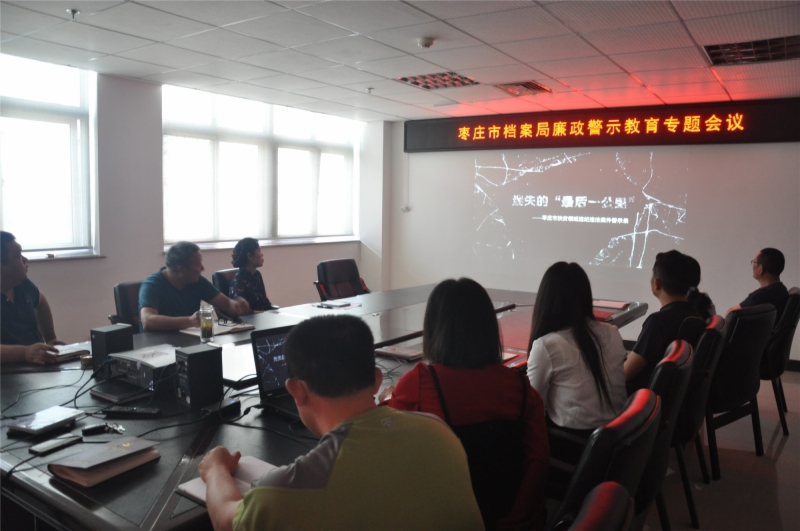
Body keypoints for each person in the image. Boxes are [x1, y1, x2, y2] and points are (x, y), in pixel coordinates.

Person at [198, 315, 483, 531]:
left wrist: (215, 469)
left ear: (296, 390)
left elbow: (225, 520)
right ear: (377, 380)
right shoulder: (439, 432)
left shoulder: (289, 489)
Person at [382, 278, 549, 530]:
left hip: (443, 519)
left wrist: (387, 399)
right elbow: (538, 461)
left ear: (434, 328)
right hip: (510, 519)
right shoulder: (522, 387)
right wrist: (515, 520)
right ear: (489, 327)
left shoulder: (418, 384)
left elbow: (390, 454)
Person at [527, 262, 628, 437]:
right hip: (620, 435)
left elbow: (533, 406)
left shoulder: (546, 346)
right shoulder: (612, 332)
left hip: (574, 442)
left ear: (546, 299)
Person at [625, 250, 715, 391]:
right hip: (674, 394)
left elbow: (626, 374)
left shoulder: (658, 322)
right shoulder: (699, 312)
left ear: (657, 283)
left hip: (643, 396)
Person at [139, 241, 249, 332]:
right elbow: (147, 320)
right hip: (160, 346)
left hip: (190, 342)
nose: (203, 268)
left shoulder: (198, 281)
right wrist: (190, 321)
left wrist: (236, 306)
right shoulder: (152, 285)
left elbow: (225, 303)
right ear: (181, 269)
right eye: (197, 264)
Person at [0, 231, 64, 364]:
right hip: (7, 371)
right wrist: (24, 353)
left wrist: (50, 338)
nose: (25, 260)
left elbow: (41, 302)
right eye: (18, 256)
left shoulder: (23, 284)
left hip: (36, 364)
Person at [727, 248, 789, 317]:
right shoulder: (782, 290)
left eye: (754, 262)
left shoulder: (759, 297)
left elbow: (731, 314)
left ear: (761, 269)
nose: (752, 265)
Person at [228, 237, 275, 312]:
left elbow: (266, 304)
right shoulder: (239, 280)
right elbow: (244, 312)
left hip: (263, 317)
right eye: (259, 251)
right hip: (250, 319)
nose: (262, 254)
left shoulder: (257, 275)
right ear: (250, 256)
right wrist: (265, 313)